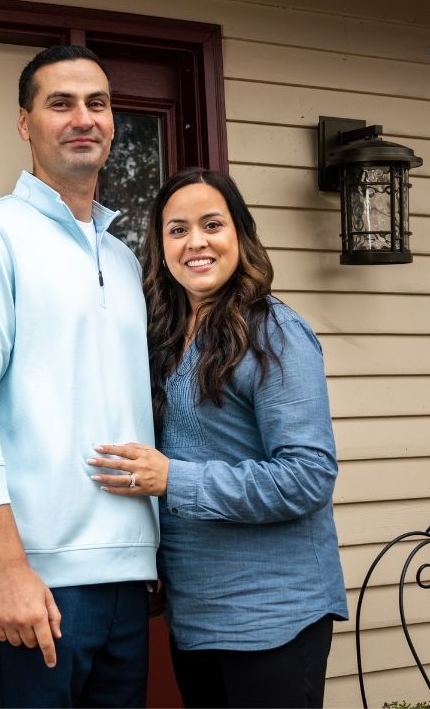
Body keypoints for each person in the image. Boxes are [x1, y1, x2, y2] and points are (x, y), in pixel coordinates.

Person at [0, 45, 158, 708]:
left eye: (98, 103)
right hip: (34, 580)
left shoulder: (122, 256)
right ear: (25, 123)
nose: (84, 118)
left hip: (128, 582)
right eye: (61, 103)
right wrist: (5, 566)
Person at [89, 168, 349, 708]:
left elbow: (308, 476)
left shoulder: (275, 334)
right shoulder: (163, 336)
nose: (196, 243)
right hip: (196, 615)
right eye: (177, 230)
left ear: (240, 234)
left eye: (212, 224)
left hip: (274, 616)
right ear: (160, 246)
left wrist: (172, 480)